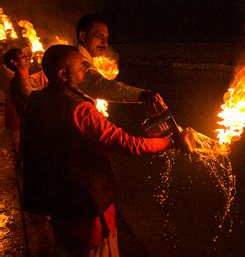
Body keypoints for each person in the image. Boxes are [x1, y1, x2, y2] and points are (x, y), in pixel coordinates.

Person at [21, 45, 190, 256]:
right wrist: (170, 142)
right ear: (63, 74)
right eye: (80, 64)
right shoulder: (79, 110)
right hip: (85, 210)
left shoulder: (37, 100)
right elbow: (127, 144)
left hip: (57, 203)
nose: (86, 66)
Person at [76, 13, 166, 108]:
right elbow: (101, 87)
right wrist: (142, 95)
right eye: (99, 36)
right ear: (82, 35)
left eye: (106, 38)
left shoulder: (83, 59)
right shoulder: (78, 62)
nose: (105, 44)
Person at [3, 47, 47, 152]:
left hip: (35, 126)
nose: (27, 58)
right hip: (32, 128)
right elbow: (37, 101)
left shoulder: (28, 79)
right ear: (13, 62)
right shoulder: (19, 82)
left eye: (26, 56)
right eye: (22, 57)